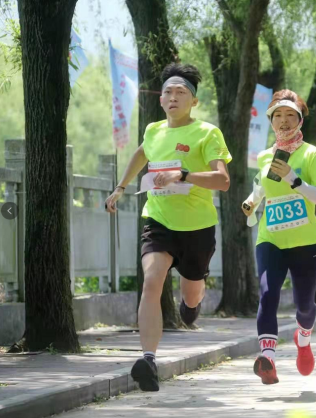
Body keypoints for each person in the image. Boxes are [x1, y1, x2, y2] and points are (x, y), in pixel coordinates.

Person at [104, 63, 232, 392]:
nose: (173, 97)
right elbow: (141, 153)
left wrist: (184, 175)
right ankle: (148, 360)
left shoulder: (207, 133)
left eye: (181, 92)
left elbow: (223, 180)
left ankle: (192, 304)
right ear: (161, 100)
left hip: (197, 228)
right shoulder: (153, 131)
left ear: (194, 101)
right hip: (158, 220)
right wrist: (120, 186)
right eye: (168, 92)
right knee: (151, 281)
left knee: (191, 292)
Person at [242, 89, 316, 385]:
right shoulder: (266, 155)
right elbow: (262, 187)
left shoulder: (312, 155)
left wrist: (295, 180)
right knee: (268, 293)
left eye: (289, 115)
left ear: (299, 120)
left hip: (306, 242)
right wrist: (251, 202)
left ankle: (303, 337)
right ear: (270, 121)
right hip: (271, 238)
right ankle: (267, 357)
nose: (283, 121)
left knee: (305, 306)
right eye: (277, 115)